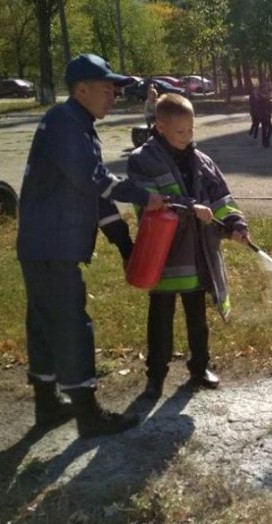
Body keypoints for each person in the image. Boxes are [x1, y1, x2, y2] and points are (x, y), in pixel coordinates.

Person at [16, 53, 165, 438]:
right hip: (51, 243)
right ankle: (87, 414)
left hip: (46, 243)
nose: (113, 97)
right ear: (81, 89)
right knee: (69, 323)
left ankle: (47, 405)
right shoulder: (65, 124)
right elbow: (95, 180)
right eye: (106, 89)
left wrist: (123, 242)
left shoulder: (76, 124)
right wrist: (142, 194)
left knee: (46, 321)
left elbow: (94, 196)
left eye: (114, 90)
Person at [127, 94, 250, 399]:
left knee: (197, 315)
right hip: (164, 255)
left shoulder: (202, 161)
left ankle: (200, 366)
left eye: (191, 130)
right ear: (160, 126)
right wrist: (191, 207)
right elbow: (148, 202)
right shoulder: (143, 160)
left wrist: (235, 224)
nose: (188, 136)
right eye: (181, 131)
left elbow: (222, 198)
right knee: (161, 318)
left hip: (198, 256)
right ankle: (156, 375)